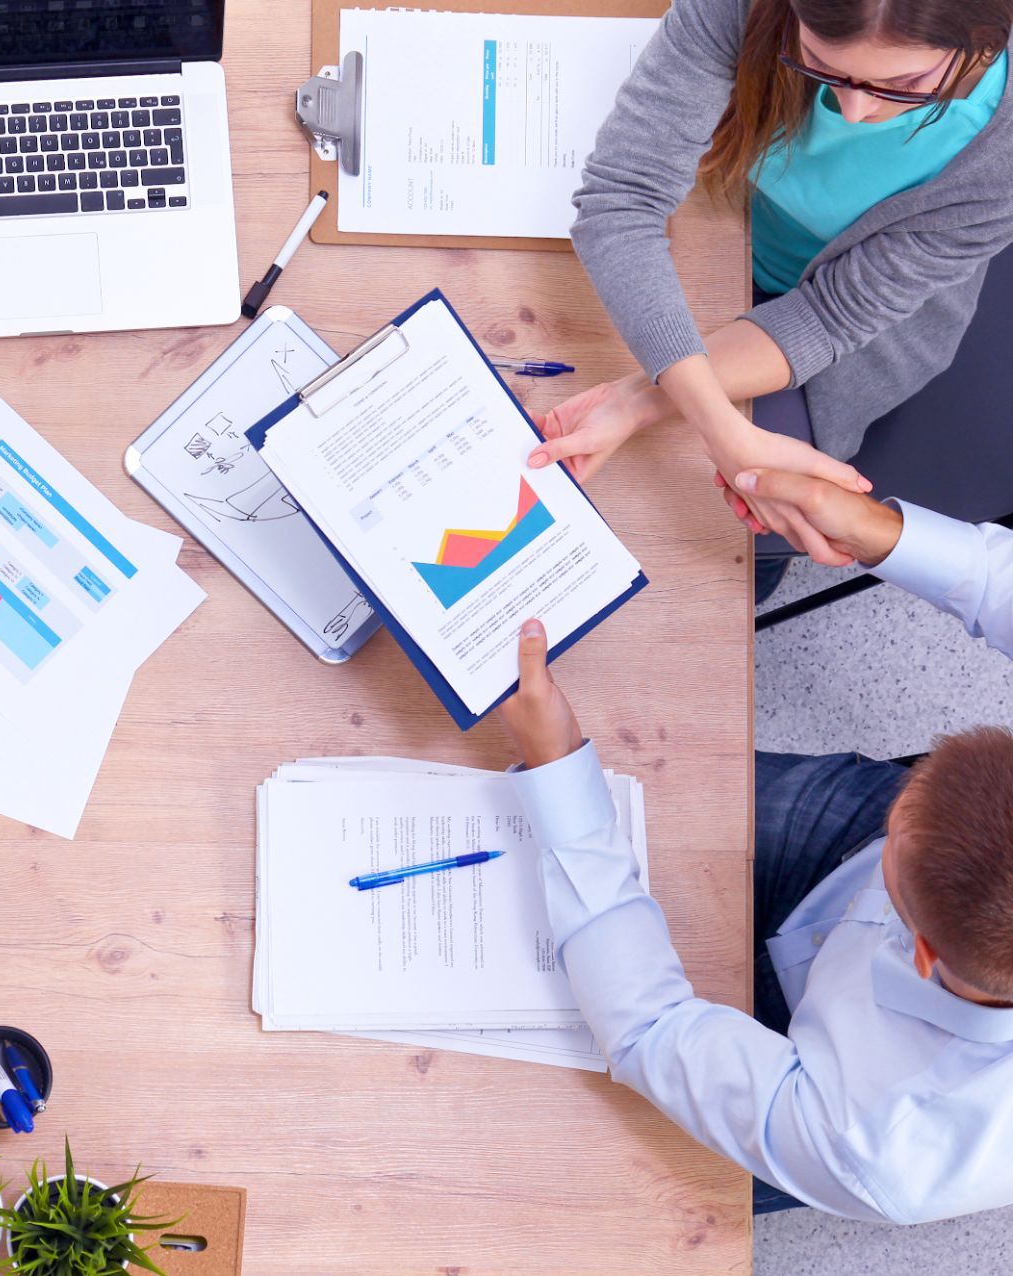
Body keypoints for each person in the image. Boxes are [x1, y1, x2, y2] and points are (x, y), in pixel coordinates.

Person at [498, 468, 1013, 1222]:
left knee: (571, 1137)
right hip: (840, 858)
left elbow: (648, 1029)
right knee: (635, 787)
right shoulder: (908, 850)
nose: (894, 805)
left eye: (895, 841)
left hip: (815, 1092)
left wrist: (562, 783)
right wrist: (875, 530)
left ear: (922, 951)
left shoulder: (881, 1144)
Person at [531, 0, 1013, 572]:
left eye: (905, 85)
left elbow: (831, 315)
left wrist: (648, 398)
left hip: (855, 334)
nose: (854, 110)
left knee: (732, 548)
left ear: (986, 39)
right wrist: (715, 424)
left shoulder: (999, 156)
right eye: (820, 64)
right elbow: (622, 198)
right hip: (726, 227)